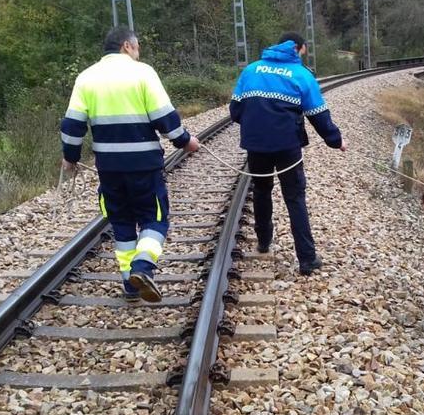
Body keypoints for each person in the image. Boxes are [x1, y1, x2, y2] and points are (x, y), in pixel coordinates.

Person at [60, 28, 199, 302]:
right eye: (137, 48)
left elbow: (73, 125)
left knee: (121, 222)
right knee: (154, 218)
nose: (138, 53)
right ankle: (143, 268)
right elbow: (163, 117)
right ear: (127, 46)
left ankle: (130, 285)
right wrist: (184, 141)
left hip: (109, 168)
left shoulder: (86, 77)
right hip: (144, 165)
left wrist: (71, 157)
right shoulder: (143, 73)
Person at [229, 32, 347, 276]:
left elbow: (235, 110)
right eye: (304, 51)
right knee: (294, 198)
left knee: (261, 191)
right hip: (287, 147)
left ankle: (263, 241)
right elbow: (318, 114)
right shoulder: (302, 74)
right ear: (298, 48)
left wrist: (257, 125)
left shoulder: (251, 70)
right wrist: (335, 141)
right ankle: (306, 259)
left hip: (256, 145)